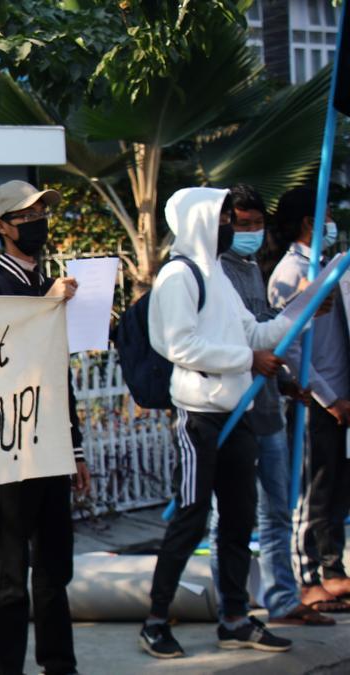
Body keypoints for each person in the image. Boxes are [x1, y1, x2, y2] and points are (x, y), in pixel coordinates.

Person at [140, 187, 294, 658]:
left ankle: (234, 618)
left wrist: (299, 311)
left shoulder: (219, 278)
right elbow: (178, 345)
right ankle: (155, 620)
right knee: (190, 518)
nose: (231, 224)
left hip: (237, 414)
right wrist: (247, 360)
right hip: (199, 419)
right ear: (202, 220)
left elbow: (255, 332)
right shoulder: (177, 276)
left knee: (238, 520)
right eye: (225, 216)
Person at [0, 179, 90, 675]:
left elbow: (59, 376)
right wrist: (47, 305)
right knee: (11, 571)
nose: (37, 224)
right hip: (7, 455)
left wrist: (77, 450)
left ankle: (60, 664)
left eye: (42, 215)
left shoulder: (52, 289)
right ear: (1, 227)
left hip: (53, 448)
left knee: (55, 566)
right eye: (26, 217)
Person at [206, 184, 333, 626]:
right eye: (243, 225)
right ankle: (232, 607)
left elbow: (264, 331)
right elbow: (210, 342)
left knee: (277, 509)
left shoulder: (252, 269)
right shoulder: (209, 274)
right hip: (230, 410)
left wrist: (284, 380)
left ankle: (282, 598)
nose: (252, 232)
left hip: (265, 410)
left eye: (257, 224)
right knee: (231, 517)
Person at [267, 186, 350, 615]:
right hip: (317, 398)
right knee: (313, 490)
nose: (332, 220)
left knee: (337, 488)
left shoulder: (331, 266)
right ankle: (307, 576)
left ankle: (333, 570)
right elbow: (291, 347)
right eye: (327, 213)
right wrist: (329, 397)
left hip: (340, 395)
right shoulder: (289, 273)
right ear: (307, 222)